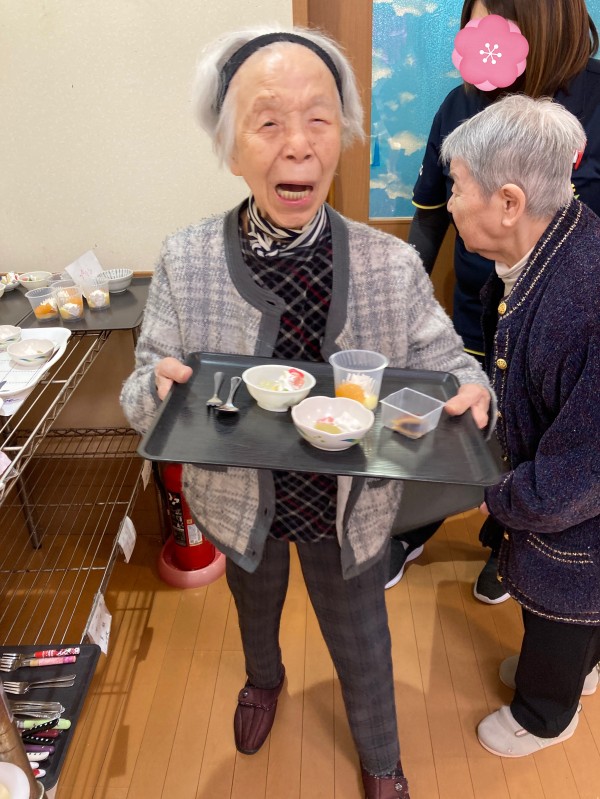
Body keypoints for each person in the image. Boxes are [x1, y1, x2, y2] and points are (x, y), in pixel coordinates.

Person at [120, 25, 494, 798]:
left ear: (342, 136)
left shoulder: (388, 262)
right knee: (254, 607)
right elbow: (138, 392)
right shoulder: (187, 260)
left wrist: (472, 386)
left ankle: (382, 758)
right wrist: (155, 387)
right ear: (230, 147)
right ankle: (263, 680)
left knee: (363, 640)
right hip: (239, 498)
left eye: (319, 118)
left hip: (346, 505)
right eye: (268, 121)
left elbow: (446, 359)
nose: (298, 144)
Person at [388, 0, 600, 602]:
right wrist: (404, 301)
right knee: (458, 417)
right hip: (479, 310)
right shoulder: (461, 104)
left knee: (544, 445)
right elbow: (431, 214)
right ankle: (417, 526)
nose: (479, 41)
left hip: (561, 334)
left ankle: (507, 541)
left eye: (494, 27)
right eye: (472, 27)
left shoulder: (596, 99)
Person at [439, 92, 600, 756]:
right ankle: (578, 673)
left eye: (456, 187)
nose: (449, 203)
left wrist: (500, 495)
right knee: (570, 615)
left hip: (579, 511)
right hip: (562, 490)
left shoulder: (584, 296)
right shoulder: (553, 248)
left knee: (565, 600)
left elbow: (584, 470)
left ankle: (546, 715)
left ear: (509, 201)